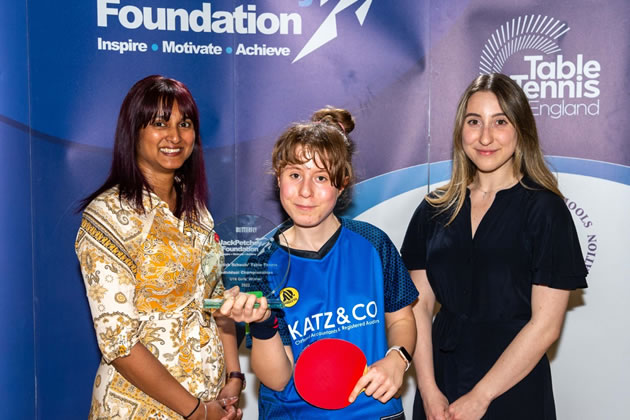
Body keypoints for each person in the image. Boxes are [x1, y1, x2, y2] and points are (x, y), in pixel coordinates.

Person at [401, 73, 588, 420]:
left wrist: (481, 397)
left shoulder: (545, 210)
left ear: (520, 130)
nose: (485, 136)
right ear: (461, 131)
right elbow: (418, 308)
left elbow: (545, 326)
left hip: (513, 385)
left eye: (500, 121)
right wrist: (428, 390)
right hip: (439, 382)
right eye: (474, 122)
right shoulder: (433, 209)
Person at [219, 107, 419, 419]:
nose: (305, 191)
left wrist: (398, 358)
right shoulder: (262, 263)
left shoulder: (374, 243)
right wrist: (262, 323)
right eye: (295, 175)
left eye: (321, 177)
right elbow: (277, 378)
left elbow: (401, 321)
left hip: (375, 412)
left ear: (342, 184)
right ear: (279, 179)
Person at [76, 75, 244, 420]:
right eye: (159, 123)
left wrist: (233, 376)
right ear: (134, 131)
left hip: (211, 402)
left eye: (185, 123)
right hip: (139, 409)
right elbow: (118, 342)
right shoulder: (107, 216)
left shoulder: (197, 211)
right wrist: (196, 412)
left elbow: (215, 299)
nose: (175, 136)